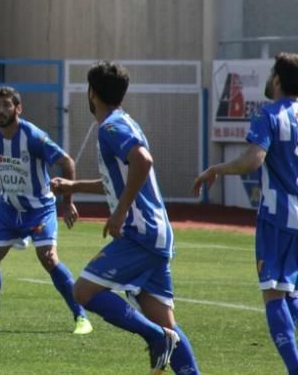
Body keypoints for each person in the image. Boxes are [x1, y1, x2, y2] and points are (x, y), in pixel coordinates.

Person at [51, 61, 198, 375]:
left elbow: (142, 162)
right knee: (165, 321)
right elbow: (118, 177)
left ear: (92, 94)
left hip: (139, 232)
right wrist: (74, 185)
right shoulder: (123, 122)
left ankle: (156, 338)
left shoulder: (111, 127)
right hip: (155, 232)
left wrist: (118, 214)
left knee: (84, 291)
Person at [193, 52, 298, 374]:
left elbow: (252, 160)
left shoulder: (269, 114)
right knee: (290, 290)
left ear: (278, 80)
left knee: (273, 293)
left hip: (278, 215)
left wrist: (217, 168)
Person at [0, 86, 92, 335]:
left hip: (39, 208)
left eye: (6, 105)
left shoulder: (32, 136)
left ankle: (81, 317)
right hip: (9, 209)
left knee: (48, 257)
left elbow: (67, 163)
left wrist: (67, 203)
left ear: (18, 108)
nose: (0, 110)